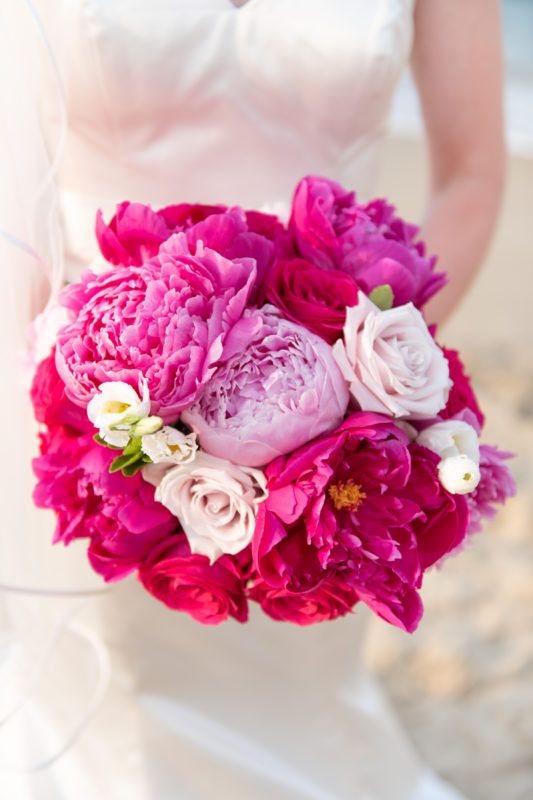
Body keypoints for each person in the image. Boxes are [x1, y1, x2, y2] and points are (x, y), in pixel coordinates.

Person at [0, 1, 504, 798]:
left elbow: (472, 173)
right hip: (102, 409)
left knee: (299, 681)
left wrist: (361, 375)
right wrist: (83, 404)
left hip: (338, 413)